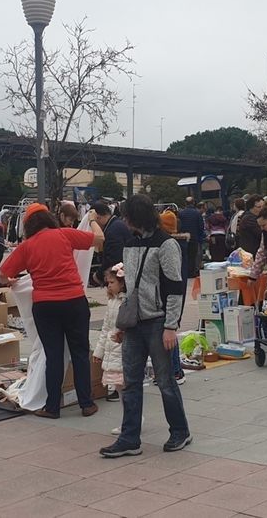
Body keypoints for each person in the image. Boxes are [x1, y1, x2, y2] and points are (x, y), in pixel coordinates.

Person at [100, 194, 189, 458]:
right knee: (130, 382)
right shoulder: (130, 242)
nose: (124, 221)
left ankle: (180, 431)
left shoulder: (166, 244)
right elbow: (130, 288)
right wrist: (123, 324)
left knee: (164, 381)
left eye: (127, 216)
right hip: (135, 323)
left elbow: (175, 287)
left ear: (136, 217)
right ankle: (130, 438)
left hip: (158, 321)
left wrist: (171, 325)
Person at [0, 204, 104, 419]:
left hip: (45, 306)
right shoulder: (64, 234)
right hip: (74, 301)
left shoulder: (27, 247)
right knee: (80, 352)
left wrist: (11, 281)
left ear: (28, 225)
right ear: (49, 218)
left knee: (53, 356)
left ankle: (52, 407)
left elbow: (2, 273)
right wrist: (92, 219)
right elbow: (99, 240)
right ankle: (86, 403)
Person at [93, 267, 128, 410]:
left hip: (122, 348)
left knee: (125, 385)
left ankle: (131, 418)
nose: (109, 285)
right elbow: (105, 328)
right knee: (119, 387)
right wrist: (98, 351)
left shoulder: (126, 301)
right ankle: (128, 418)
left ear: (122, 284)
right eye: (108, 282)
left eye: (112, 282)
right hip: (112, 348)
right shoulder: (112, 302)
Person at [94, 202, 132, 287]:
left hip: (120, 277)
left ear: (98, 217)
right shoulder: (116, 224)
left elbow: (113, 258)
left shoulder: (112, 231)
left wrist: (99, 275)